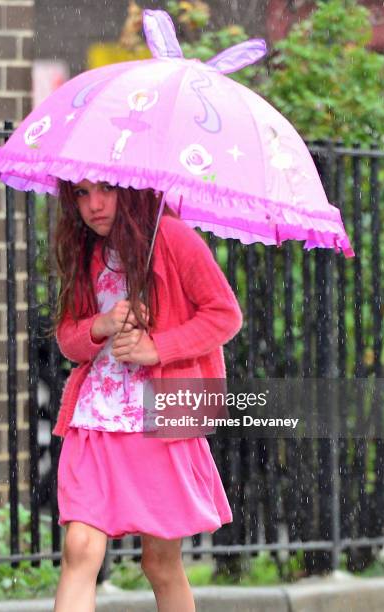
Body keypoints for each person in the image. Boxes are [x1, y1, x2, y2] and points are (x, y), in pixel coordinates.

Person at [51, 178, 243, 612]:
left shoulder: (172, 237)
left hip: (161, 417)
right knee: (80, 548)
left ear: (133, 188)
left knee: (159, 563)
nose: (93, 204)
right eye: (80, 193)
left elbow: (224, 315)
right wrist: (99, 326)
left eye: (104, 189)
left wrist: (158, 346)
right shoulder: (87, 251)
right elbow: (68, 339)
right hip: (95, 417)